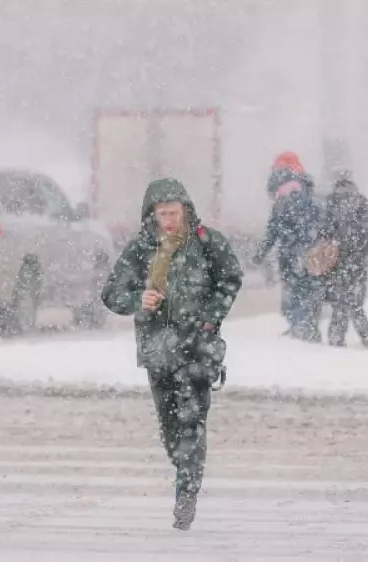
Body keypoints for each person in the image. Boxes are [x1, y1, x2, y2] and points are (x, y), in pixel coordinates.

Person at [101, 177, 243, 531]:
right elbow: (111, 293)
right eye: (163, 213)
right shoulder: (141, 248)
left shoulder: (206, 242)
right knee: (169, 427)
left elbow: (230, 279)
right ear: (151, 214)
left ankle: (187, 493)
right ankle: (183, 469)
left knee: (192, 421)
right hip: (157, 351)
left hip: (196, 349)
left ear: (186, 210)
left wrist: (211, 321)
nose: (169, 220)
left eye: (174, 212)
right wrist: (139, 299)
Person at [253, 152, 323, 342]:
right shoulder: (310, 193)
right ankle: (308, 328)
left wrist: (260, 253)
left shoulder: (282, 200)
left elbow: (273, 230)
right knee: (309, 292)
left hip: (290, 254)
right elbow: (321, 223)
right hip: (311, 255)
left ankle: (299, 329)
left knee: (293, 293)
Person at [317, 170, 368, 348]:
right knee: (356, 301)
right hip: (358, 261)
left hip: (338, 260)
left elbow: (325, 231)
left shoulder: (332, 202)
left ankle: (336, 338)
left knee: (340, 302)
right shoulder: (362, 202)